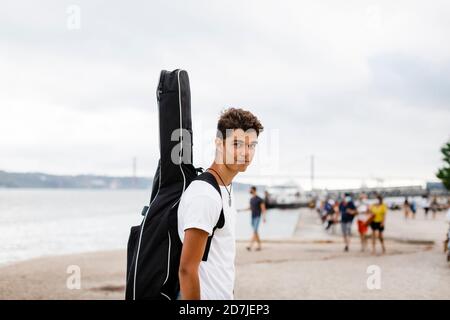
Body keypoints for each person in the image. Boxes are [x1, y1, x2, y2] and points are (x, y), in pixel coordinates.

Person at [178, 108, 263, 300]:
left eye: (252, 145)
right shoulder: (205, 195)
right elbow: (187, 269)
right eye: (237, 144)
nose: (245, 152)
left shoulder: (225, 187)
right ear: (219, 144)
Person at [246, 186, 267, 251]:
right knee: (256, 232)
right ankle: (259, 246)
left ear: (254, 190)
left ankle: (250, 245)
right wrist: (241, 210)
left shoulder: (260, 199)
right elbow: (250, 208)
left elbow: (263, 209)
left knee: (255, 231)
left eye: (251, 190)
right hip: (252, 217)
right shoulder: (251, 199)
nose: (250, 191)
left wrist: (264, 217)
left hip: (257, 217)